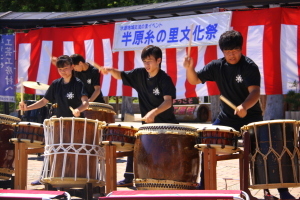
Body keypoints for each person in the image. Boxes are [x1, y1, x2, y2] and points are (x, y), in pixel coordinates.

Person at [183, 30, 295, 199]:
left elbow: (255, 92)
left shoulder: (249, 66)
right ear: (222, 52)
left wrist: (244, 106)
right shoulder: (217, 66)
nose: (231, 55)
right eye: (227, 52)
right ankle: (204, 185)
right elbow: (194, 80)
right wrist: (189, 68)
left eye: (234, 51)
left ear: (241, 49)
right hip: (226, 118)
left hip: (251, 117)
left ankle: (282, 190)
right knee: (206, 143)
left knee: (268, 147)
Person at [101, 45, 178, 187]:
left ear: (159, 60)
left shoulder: (164, 79)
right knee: (134, 143)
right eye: (144, 61)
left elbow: (168, 102)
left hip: (166, 125)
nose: (147, 64)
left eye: (150, 61)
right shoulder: (139, 75)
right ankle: (129, 177)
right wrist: (111, 70)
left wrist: (154, 112)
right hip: (147, 126)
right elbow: (121, 75)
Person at [19, 55, 89, 185]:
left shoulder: (78, 84)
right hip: (60, 123)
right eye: (60, 69)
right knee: (52, 149)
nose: (63, 71)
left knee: (73, 152)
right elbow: (44, 101)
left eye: (66, 68)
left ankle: (73, 178)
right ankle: (45, 177)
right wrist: (27, 108)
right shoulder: (56, 84)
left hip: (76, 124)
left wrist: (79, 109)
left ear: (72, 67)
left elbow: (86, 102)